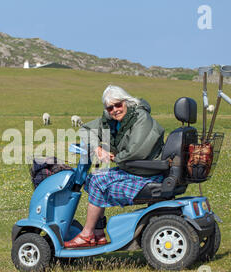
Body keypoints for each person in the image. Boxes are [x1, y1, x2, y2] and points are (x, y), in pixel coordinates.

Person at [64, 85, 165, 248]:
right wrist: (97, 147)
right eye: (110, 107)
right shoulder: (111, 120)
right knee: (91, 179)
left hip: (146, 172)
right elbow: (86, 129)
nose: (115, 110)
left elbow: (136, 150)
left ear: (126, 101)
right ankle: (98, 233)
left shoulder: (141, 118)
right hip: (134, 168)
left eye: (118, 105)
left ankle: (87, 234)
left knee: (97, 182)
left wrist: (114, 157)